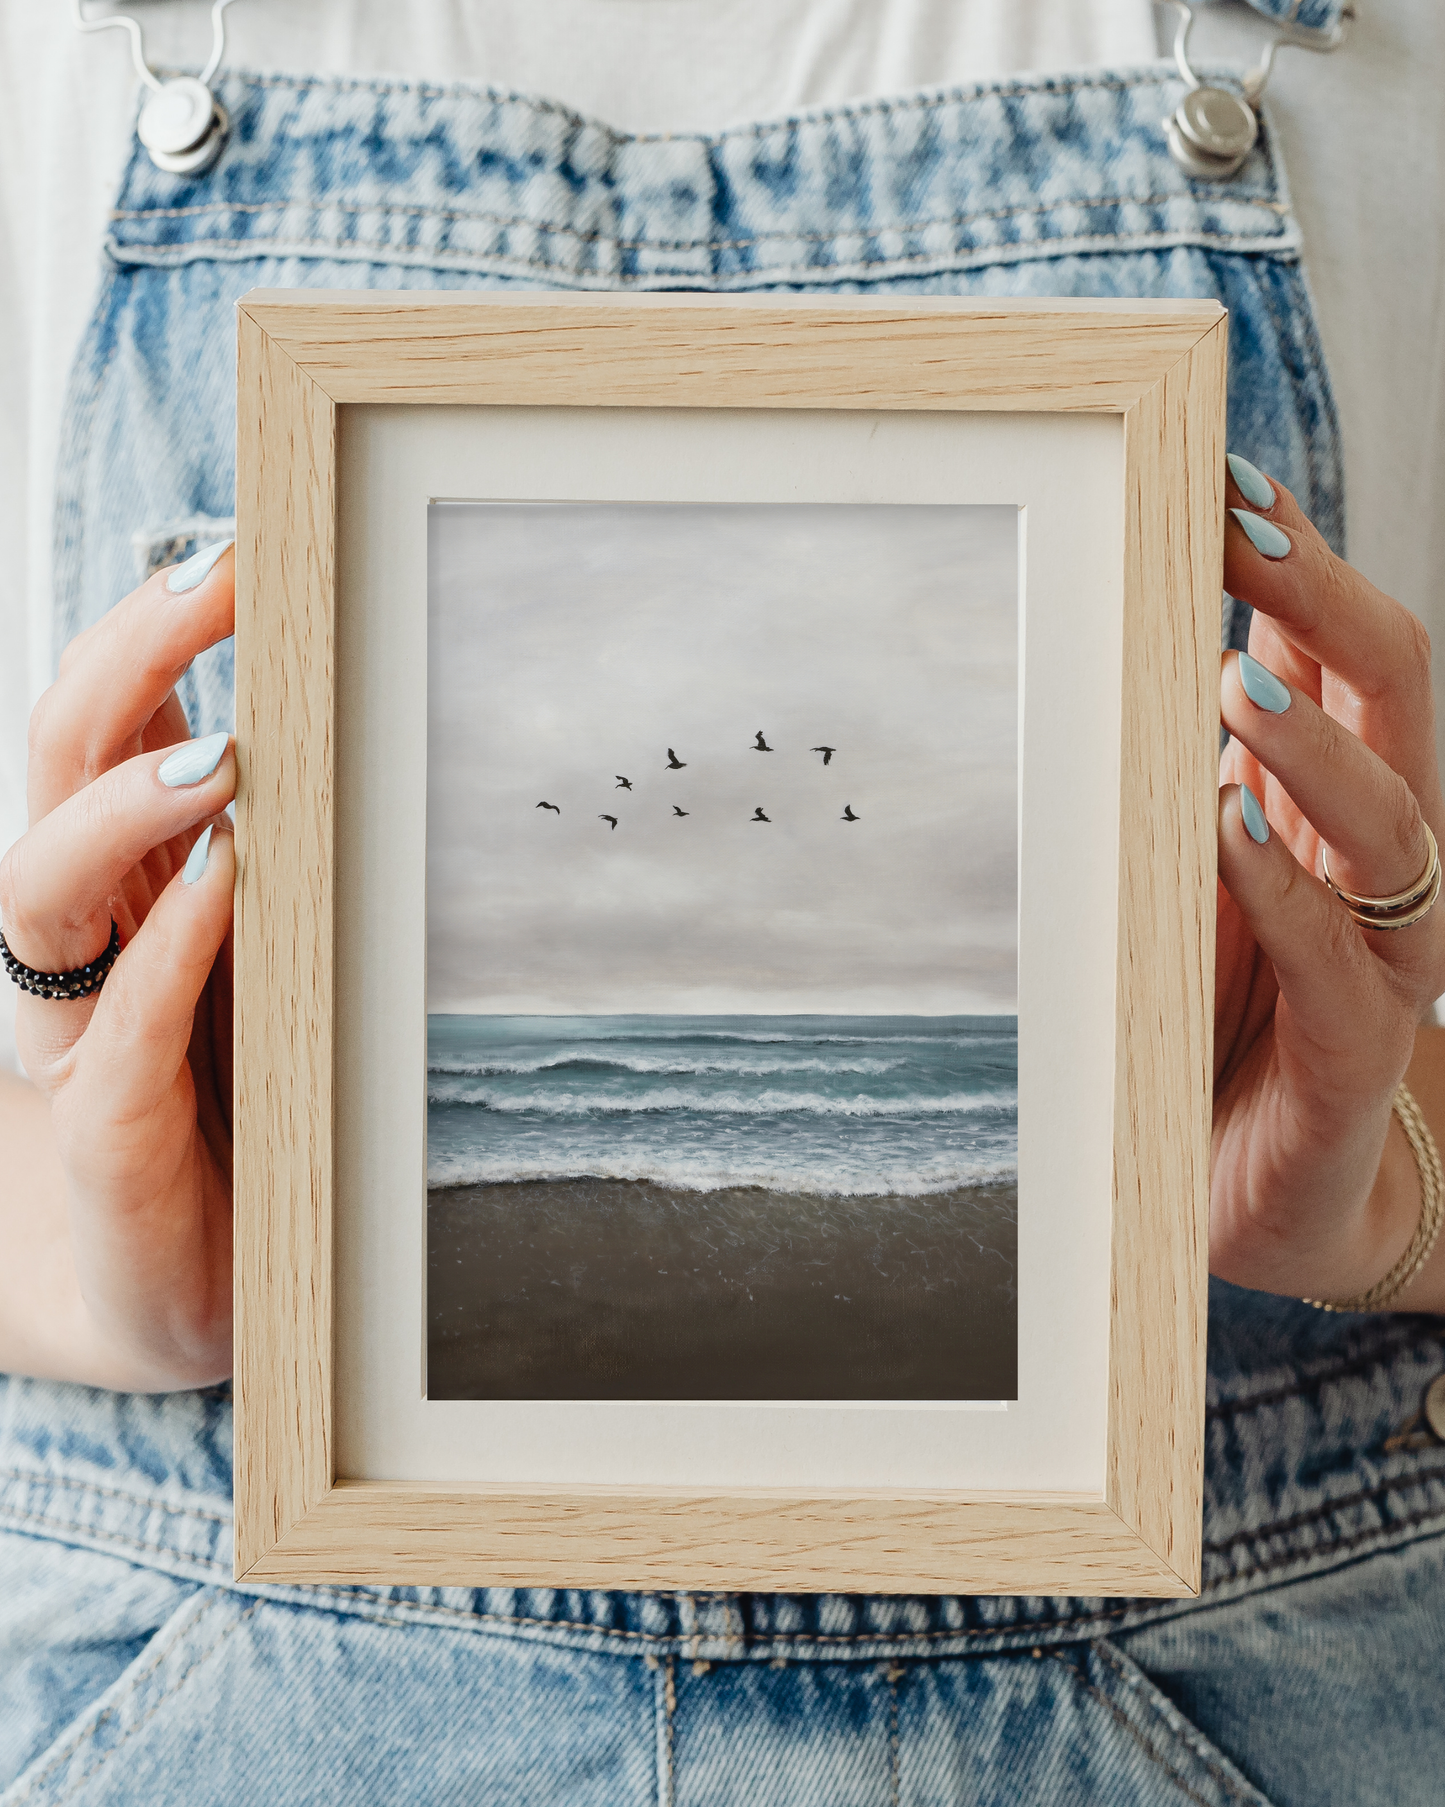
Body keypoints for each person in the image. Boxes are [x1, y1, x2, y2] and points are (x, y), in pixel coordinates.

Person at [2, 2, 1444, 1800]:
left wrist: (1388, 1189)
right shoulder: (72, 41)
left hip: (1223, 1652)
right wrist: (95, 1251)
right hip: (219, 1651)